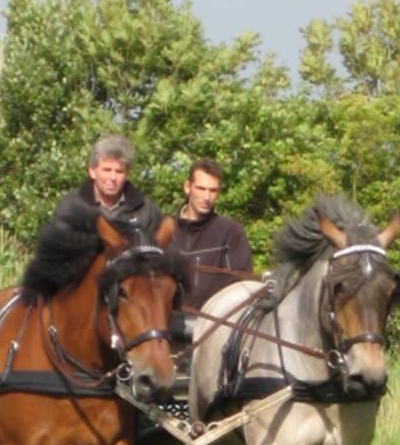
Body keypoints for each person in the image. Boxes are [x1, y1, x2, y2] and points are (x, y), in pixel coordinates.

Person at [173, 158, 253, 313]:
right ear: (187, 187)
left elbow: (242, 288)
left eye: (213, 190)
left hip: (212, 328)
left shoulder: (230, 232)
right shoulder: (165, 230)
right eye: (201, 189)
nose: (207, 197)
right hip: (166, 328)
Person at [51, 134, 163, 236]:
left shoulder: (146, 211)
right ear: (92, 171)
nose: (113, 178)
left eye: (119, 171)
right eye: (107, 170)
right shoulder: (71, 208)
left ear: (127, 175)